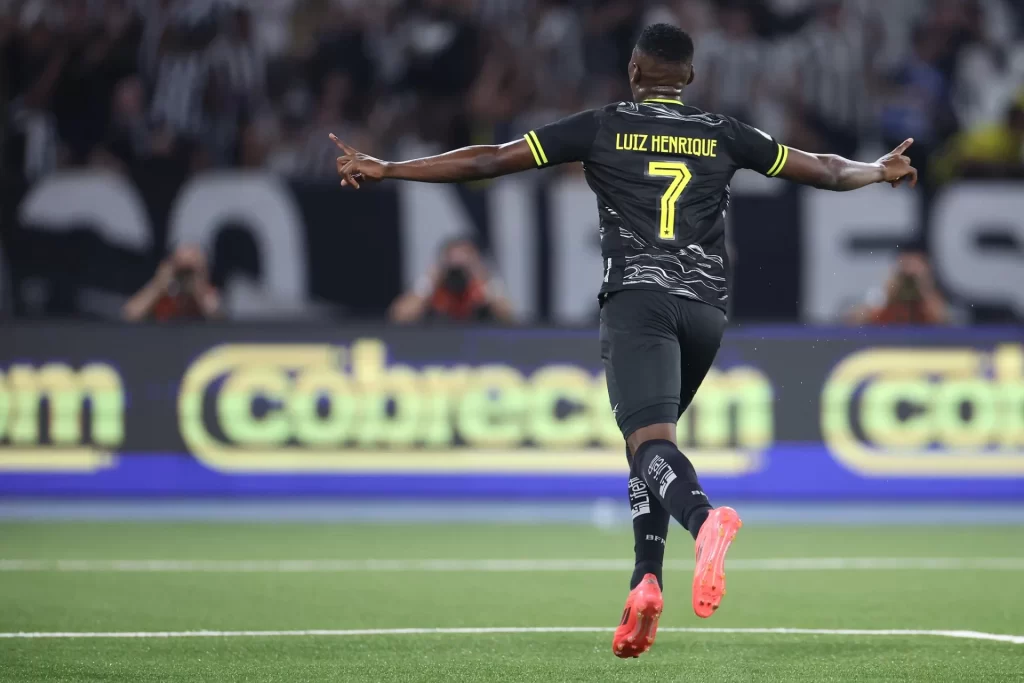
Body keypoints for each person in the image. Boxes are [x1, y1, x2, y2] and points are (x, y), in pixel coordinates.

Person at [329, 23, 917, 659]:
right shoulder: (723, 132)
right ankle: (645, 583)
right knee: (648, 450)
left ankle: (705, 520)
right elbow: (825, 170)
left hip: (638, 302)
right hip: (707, 310)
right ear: (688, 77)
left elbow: (490, 159)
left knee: (651, 449)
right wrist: (877, 170)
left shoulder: (603, 126)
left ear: (635, 71)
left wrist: (390, 167)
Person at [389, 237, 515, 325]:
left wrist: (483, 277)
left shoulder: (482, 286)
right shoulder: (434, 286)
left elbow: (509, 316)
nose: (458, 269)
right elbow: (399, 316)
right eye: (453, 261)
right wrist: (427, 282)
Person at [846, 249, 950, 326]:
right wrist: (886, 293)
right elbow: (854, 319)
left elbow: (944, 320)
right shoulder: (884, 303)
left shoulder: (927, 304)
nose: (909, 279)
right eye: (904, 268)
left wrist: (924, 286)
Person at [122, 244, 222, 322]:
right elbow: (129, 315)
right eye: (181, 270)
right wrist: (158, 284)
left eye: (189, 271)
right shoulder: (161, 293)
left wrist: (198, 285)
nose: (185, 275)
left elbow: (216, 316)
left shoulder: (207, 293)